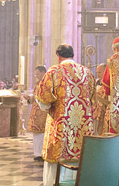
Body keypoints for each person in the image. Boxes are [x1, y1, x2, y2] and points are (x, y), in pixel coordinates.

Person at [35, 44, 95, 185]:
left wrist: (48, 108)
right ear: (72, 55)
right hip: (83, 129)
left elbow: (44, 100)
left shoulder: (54, 71)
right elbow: (92, 99)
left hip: (60, 129)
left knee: (56, 162)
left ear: (58, 56)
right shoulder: (87, 72)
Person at [28, 65, 48, 161]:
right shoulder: (37, 83)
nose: (36, 76)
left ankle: (42, 153)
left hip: (43, 111)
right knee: (36, 133)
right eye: (35, 74)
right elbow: (35, 97)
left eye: (37, 74)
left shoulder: (47, 83)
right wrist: (29, 98)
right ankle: (37, 152)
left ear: (43, 72)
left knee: (42, 133)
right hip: (36, 111)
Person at [93, 63, 110, 134]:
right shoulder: (96, 82)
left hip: (103, 115)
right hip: (95, 114)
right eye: (97, 72)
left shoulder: (108, 85)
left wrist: (98, 98)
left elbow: (109, 103)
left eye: (99, 72)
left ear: (105, 72)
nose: (97, 74)